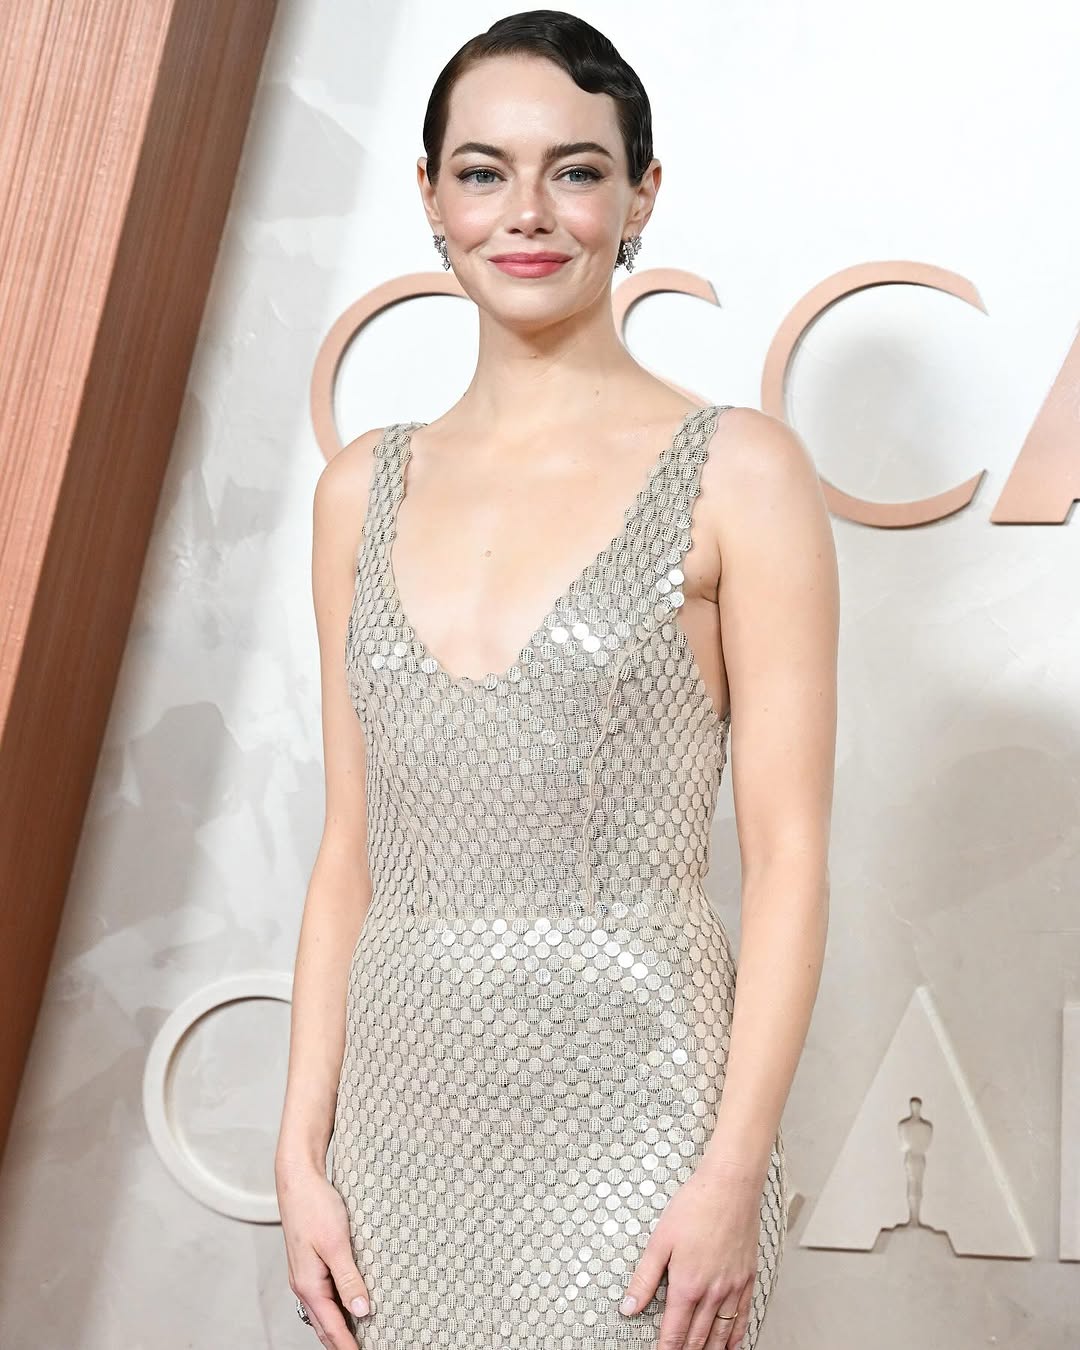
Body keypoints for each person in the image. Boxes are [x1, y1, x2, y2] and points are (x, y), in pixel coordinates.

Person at [275, 10, 837, 1349]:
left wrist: (734, 1166)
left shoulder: (741, 472)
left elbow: (789, 855)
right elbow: (352, 854)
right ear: (431, 197)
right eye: (483, 171)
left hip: (646, 1128)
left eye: (576, 170)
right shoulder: (359, 487)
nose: (527, 212)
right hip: (398, 1136)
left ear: (642, 196)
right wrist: (301, 1150)